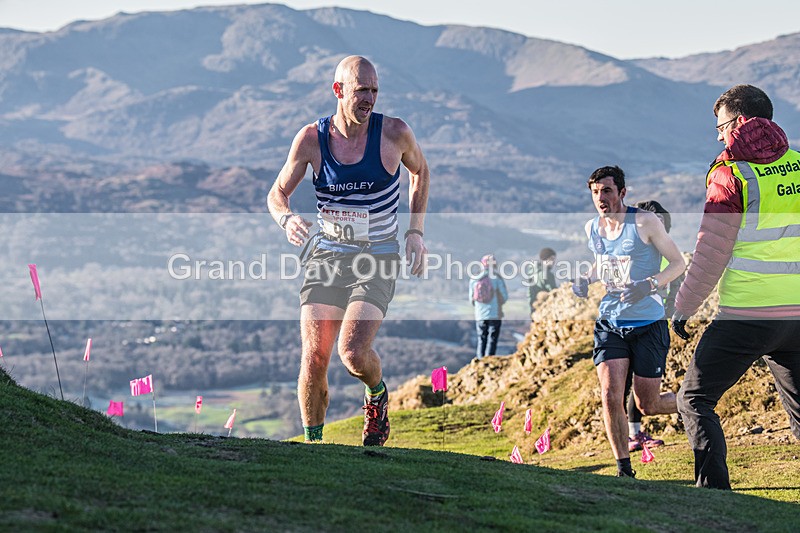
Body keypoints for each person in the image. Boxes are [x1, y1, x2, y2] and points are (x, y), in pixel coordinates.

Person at [266, 55, 430, 446]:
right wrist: (287, 219)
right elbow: (276, 194)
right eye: (361, 90)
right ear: (339, 91)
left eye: (374, 90)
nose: (369, 99)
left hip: (378, 257)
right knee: (313, 357)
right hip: (327, 258)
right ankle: (314, 446)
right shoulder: (311, 139)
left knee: (353, 354)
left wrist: (415, 232)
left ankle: (376, 395)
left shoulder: (394, 134)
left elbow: (420, 171)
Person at [672, 84, 800, 490]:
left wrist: (684, 307)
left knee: (693, 398)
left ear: (740, 122)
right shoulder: (799, 163)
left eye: (722, 125)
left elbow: (711, 250)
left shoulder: (731, 175)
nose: (719, 135)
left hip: (748, 313)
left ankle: (714, 494)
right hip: (795, 315)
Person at [572, 165, 685, 477]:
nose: (600, 198)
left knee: (648, 404)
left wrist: (648, 285)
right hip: (610, 323)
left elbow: (678, 263)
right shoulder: (592, 228)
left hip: (648, 324)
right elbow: (601, 263)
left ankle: (694, 402)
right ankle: (624, 468)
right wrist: (585, 278)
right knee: (610, 395)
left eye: (607, 191)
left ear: (622, 192)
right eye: (595, 192)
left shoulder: (644, 222)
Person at [623, 200, 685, 452]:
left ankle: (633, 435)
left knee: (637, 388)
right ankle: (631, 436)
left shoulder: (667, 254)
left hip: (652, 325)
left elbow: (677, 283)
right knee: (623, 386)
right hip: (627, 325)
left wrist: (669, 313)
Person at [470, 254, 508, 359]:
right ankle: (488, 360)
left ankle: (480, 360)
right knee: (492, 338)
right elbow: (504, 296)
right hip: (494, 313)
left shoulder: (474, 278)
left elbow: (471, 298)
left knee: (481, 338)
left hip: (480, 315)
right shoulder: (496, 278)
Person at [525, 247, 558, 317]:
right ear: (545, 259)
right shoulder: (547, 275)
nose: (553, 262)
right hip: (546, 310)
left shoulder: (532, 273)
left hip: (534, 309)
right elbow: (554, 292)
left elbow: (529, 293)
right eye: (552, 259)